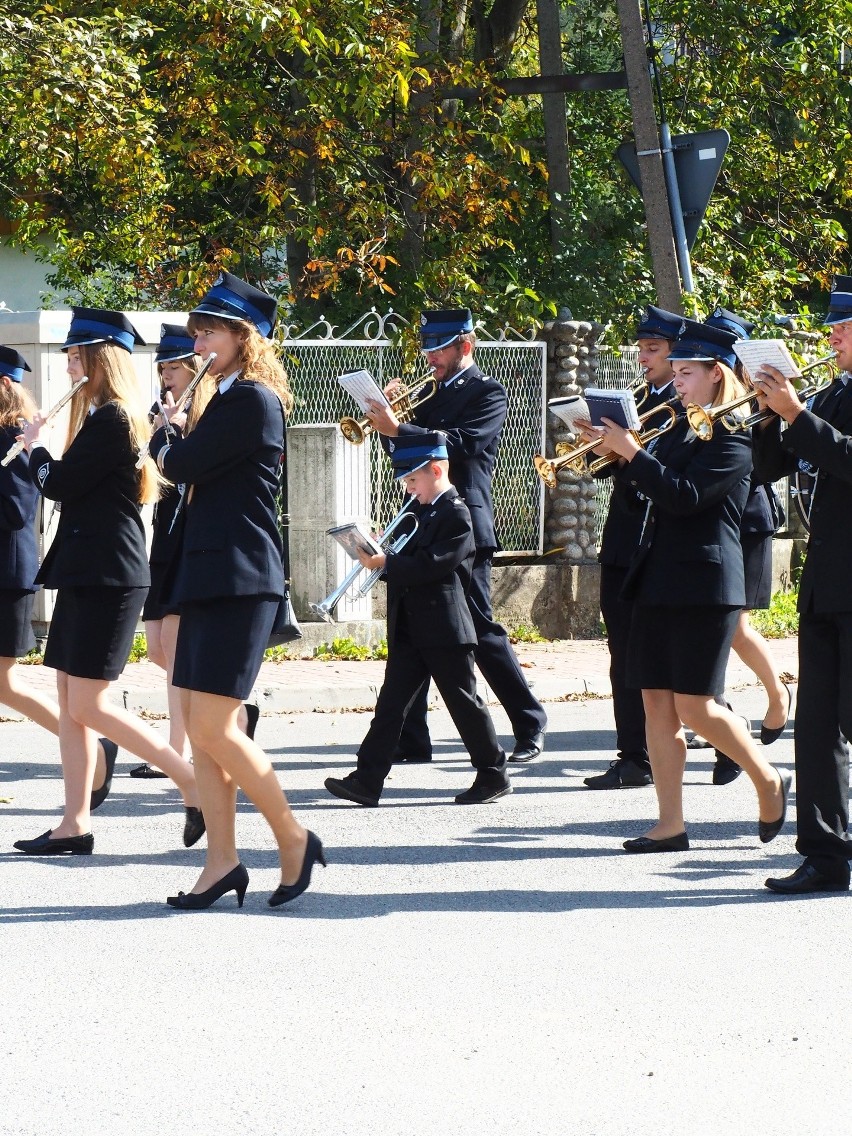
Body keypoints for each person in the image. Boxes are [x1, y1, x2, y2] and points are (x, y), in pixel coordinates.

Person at [149, 271, 323, 910]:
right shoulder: (221, 399)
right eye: (198, 331)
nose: (200, 343)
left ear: (246, 337)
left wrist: (167, 432)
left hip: (241, 579)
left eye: (212, 331)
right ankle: (221, 863)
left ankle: (294, 837)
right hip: (207, 576)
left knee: (219, 728)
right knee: (199, 730)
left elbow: (181, 467)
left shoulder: (252, 400)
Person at [586, 320, 790, 853]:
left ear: (717, 376)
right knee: (655, 700)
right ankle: (670, 822)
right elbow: (643, 489)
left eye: (687, 373)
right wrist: (611, 452)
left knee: (696, 706)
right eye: (675, 371)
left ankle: (767, 779)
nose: (676, 381)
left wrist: (633, 455)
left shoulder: (737, 439)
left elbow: (683, 496)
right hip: (656, 575)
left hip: (706, 583)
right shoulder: (677, 427)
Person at [12, 308, 202, 857]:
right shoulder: (99, 415)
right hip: (83, 571)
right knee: (71, 701)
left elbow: (61, 484)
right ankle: (73, 823)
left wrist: (35, 448)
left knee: (90, 704)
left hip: (110, 577)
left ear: (100, 359)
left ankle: (188, 780)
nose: (70, 366)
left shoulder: (116, 418)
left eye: (76, 356)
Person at [364, 308, 547, 765]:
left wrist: (400, 427)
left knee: (480, 630)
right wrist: (388, 425)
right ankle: (412, 738)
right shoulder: (426, 396)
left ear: (465, 346)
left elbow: (464, 444)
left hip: (464, 524)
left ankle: (528, 721)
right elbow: (409, 459)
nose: (431, 360)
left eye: (438, 350)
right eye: (427, 351)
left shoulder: (488, 392)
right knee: (408, 630)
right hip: (419, 520)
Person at [323, 433, 511, 807]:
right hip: (412, 626)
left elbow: (434, 565)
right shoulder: (422, 511)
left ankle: (493, 774)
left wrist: (386, 562)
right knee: (391, 706)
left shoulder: (457, 512)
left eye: (413, 480)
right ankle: (367, 779)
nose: (409, 489)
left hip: (444, 627)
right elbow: (407, 561)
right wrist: (381, 551)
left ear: (436, 470)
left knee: (463, 703)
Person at [753, 274, 852, 894]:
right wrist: (771, 418)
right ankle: (825, 852)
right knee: (817, 726)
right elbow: (772, 469)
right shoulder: (837, 393)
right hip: (827, 581)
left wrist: (795, 413)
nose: (834, 334)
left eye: (845, 325)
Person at [583, 304, 681, 790]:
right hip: (624, 537)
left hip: (662, 540)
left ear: (676, 353)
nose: (643, 358)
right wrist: (599, 446)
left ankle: (727, 739)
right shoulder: (636, 398)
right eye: (642, 348)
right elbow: (608, 471)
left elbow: (678, 478)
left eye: (653, 349)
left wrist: (630, 448)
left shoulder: (692, 405)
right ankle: (632, 756)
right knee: (621, 651)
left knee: (674, 652)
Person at [705, 307, 792, 754]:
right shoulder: (698, 394)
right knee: (709, 622)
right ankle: (713, 710)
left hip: (749, 518)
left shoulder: (756, 397)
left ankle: (777, 695)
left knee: (735, 626)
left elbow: (768, 466)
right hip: (707, 520)